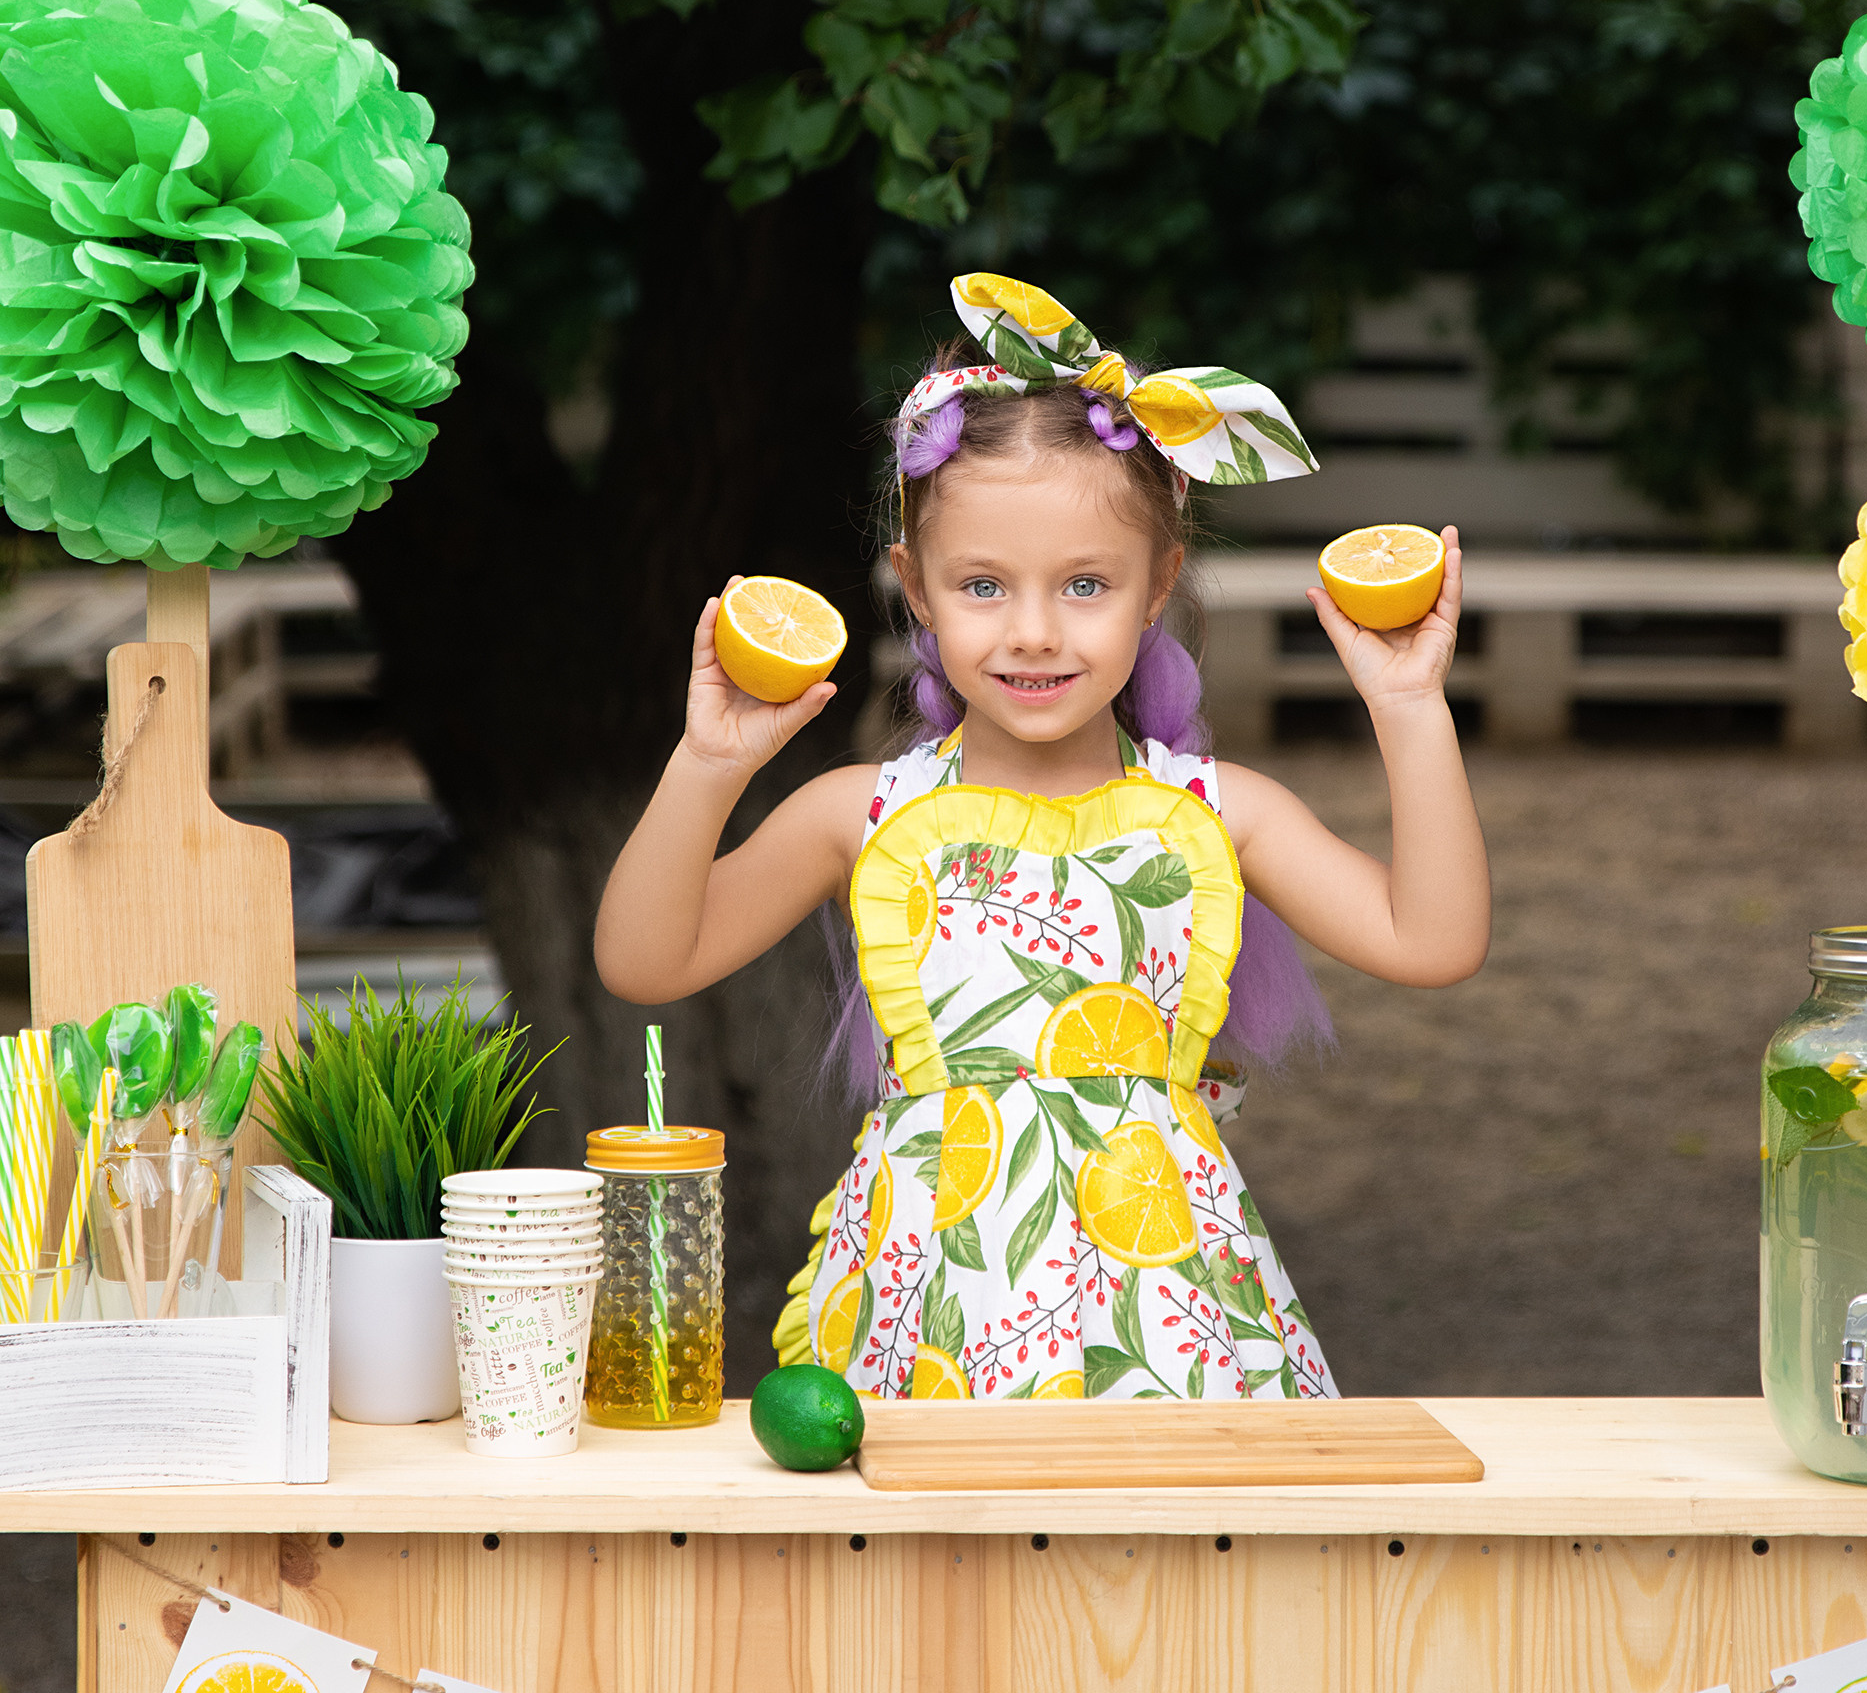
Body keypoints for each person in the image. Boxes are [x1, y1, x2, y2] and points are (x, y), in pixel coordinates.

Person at [595, 273, 1490, 1401]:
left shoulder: (1219, 810)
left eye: (1083, 584)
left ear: (1158, 584)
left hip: (1170, 1328)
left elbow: (1435, 938)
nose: (1031, 631)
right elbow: (642, 959)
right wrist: (709, 765)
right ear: (913, 588)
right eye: (982, 584)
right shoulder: (860, 815)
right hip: (926, 1320)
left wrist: (1410, 709)